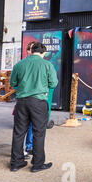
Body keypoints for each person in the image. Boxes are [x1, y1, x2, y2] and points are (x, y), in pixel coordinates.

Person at [9, 42, 58, 172]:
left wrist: (24, 88)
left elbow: (12, 83)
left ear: (31, 51)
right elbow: (53, 83)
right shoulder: (47, 64)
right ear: (43, 52)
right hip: (38, 102)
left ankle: (16, 163)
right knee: (39, 133)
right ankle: (37, 164)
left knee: (19, 132)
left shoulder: (19, 64)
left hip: (21, 102)